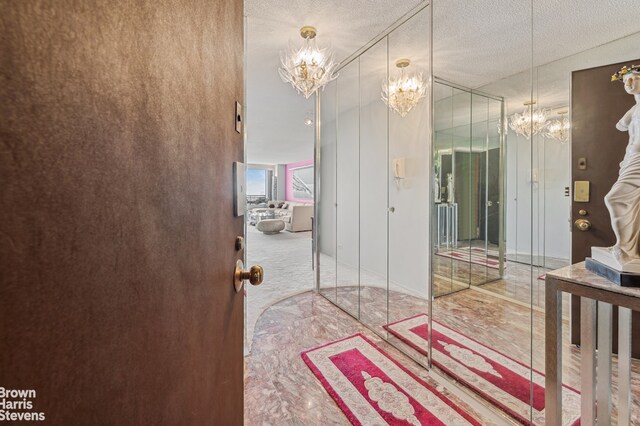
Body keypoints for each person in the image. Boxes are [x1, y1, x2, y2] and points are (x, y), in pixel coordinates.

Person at [604, 65, 640, 265]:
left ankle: (624, 246)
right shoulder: (635, 108)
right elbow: (620, 125)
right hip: (630, 158)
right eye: (625, 80)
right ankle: (626, 246)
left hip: (638, 159)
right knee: (632, 203)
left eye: (634, 78)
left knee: (614, 198)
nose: (628, 83)